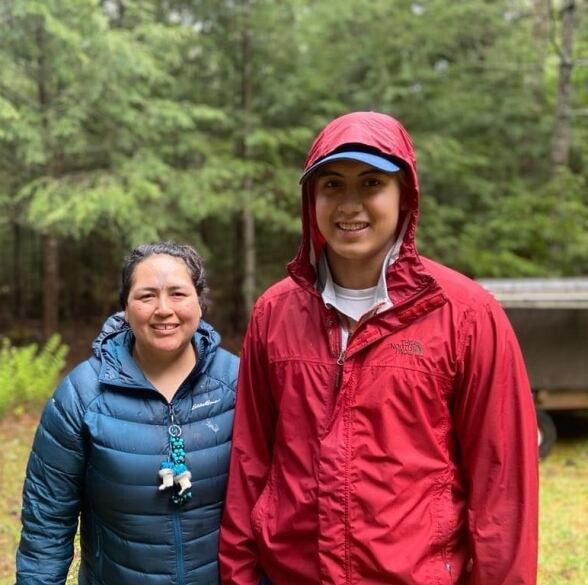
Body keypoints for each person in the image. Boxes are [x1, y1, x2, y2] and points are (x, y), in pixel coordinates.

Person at [219, 111, 538, 584]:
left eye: (370, 184)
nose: (349, 205)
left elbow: (502, 484)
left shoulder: (466, 315)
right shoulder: (274, 313)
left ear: (404, 195)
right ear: (312, 199)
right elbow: (250, 464)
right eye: (332, 185)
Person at [17, 241, 239, 585]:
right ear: (125, 306)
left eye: (178, 294)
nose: (163, 309)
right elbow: (47, 520)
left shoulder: (240, 383)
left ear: (199, 301)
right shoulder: (82, 395)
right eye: (147, 295)